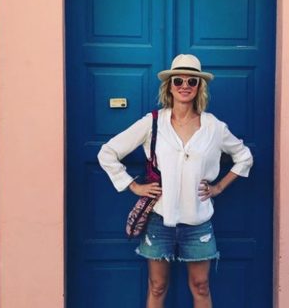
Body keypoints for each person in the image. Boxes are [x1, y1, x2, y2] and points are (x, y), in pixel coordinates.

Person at [97, 54, 253, 308]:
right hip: (159, 221)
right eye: (178, 80)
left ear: (199, 87)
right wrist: (134, 186)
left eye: (192, 81)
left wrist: (218, 187)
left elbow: (244, 157)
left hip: (198, 224)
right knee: (157, 287)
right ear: (169, 86)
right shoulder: (153, 123)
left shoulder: (213, 127)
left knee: (201, 286)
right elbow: (108, 152)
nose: (185, 85)